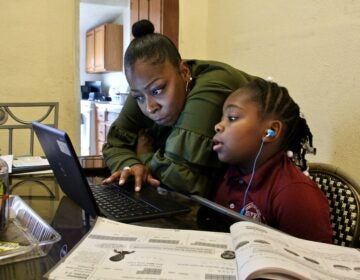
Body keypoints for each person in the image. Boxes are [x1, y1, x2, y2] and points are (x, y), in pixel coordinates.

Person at [102, 19, 256, 196]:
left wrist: (144, 155)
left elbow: (183, 180)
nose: (150, 107)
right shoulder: (147, 86)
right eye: (138, 97)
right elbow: (114, 145)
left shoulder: (213, 84)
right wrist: (131, 164)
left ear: (184, 72)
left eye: (158, 90)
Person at [212, 77, 332, 243]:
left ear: (271, 131)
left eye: (232, 118)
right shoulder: (225, 173)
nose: (218, 126)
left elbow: (314, 263)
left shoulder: (294, 193)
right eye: (222, 117)